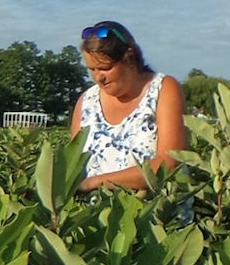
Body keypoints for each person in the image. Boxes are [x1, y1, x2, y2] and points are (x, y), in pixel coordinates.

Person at [70, 21, 187, 192]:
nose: (98, 78)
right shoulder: (86, 102)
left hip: (156, 216)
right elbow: (74, 164)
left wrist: (95, 182)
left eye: (105, 68)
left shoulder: (163, 89)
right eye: (92, 70)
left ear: (129, 58)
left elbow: (168, 162)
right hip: (95, 216)